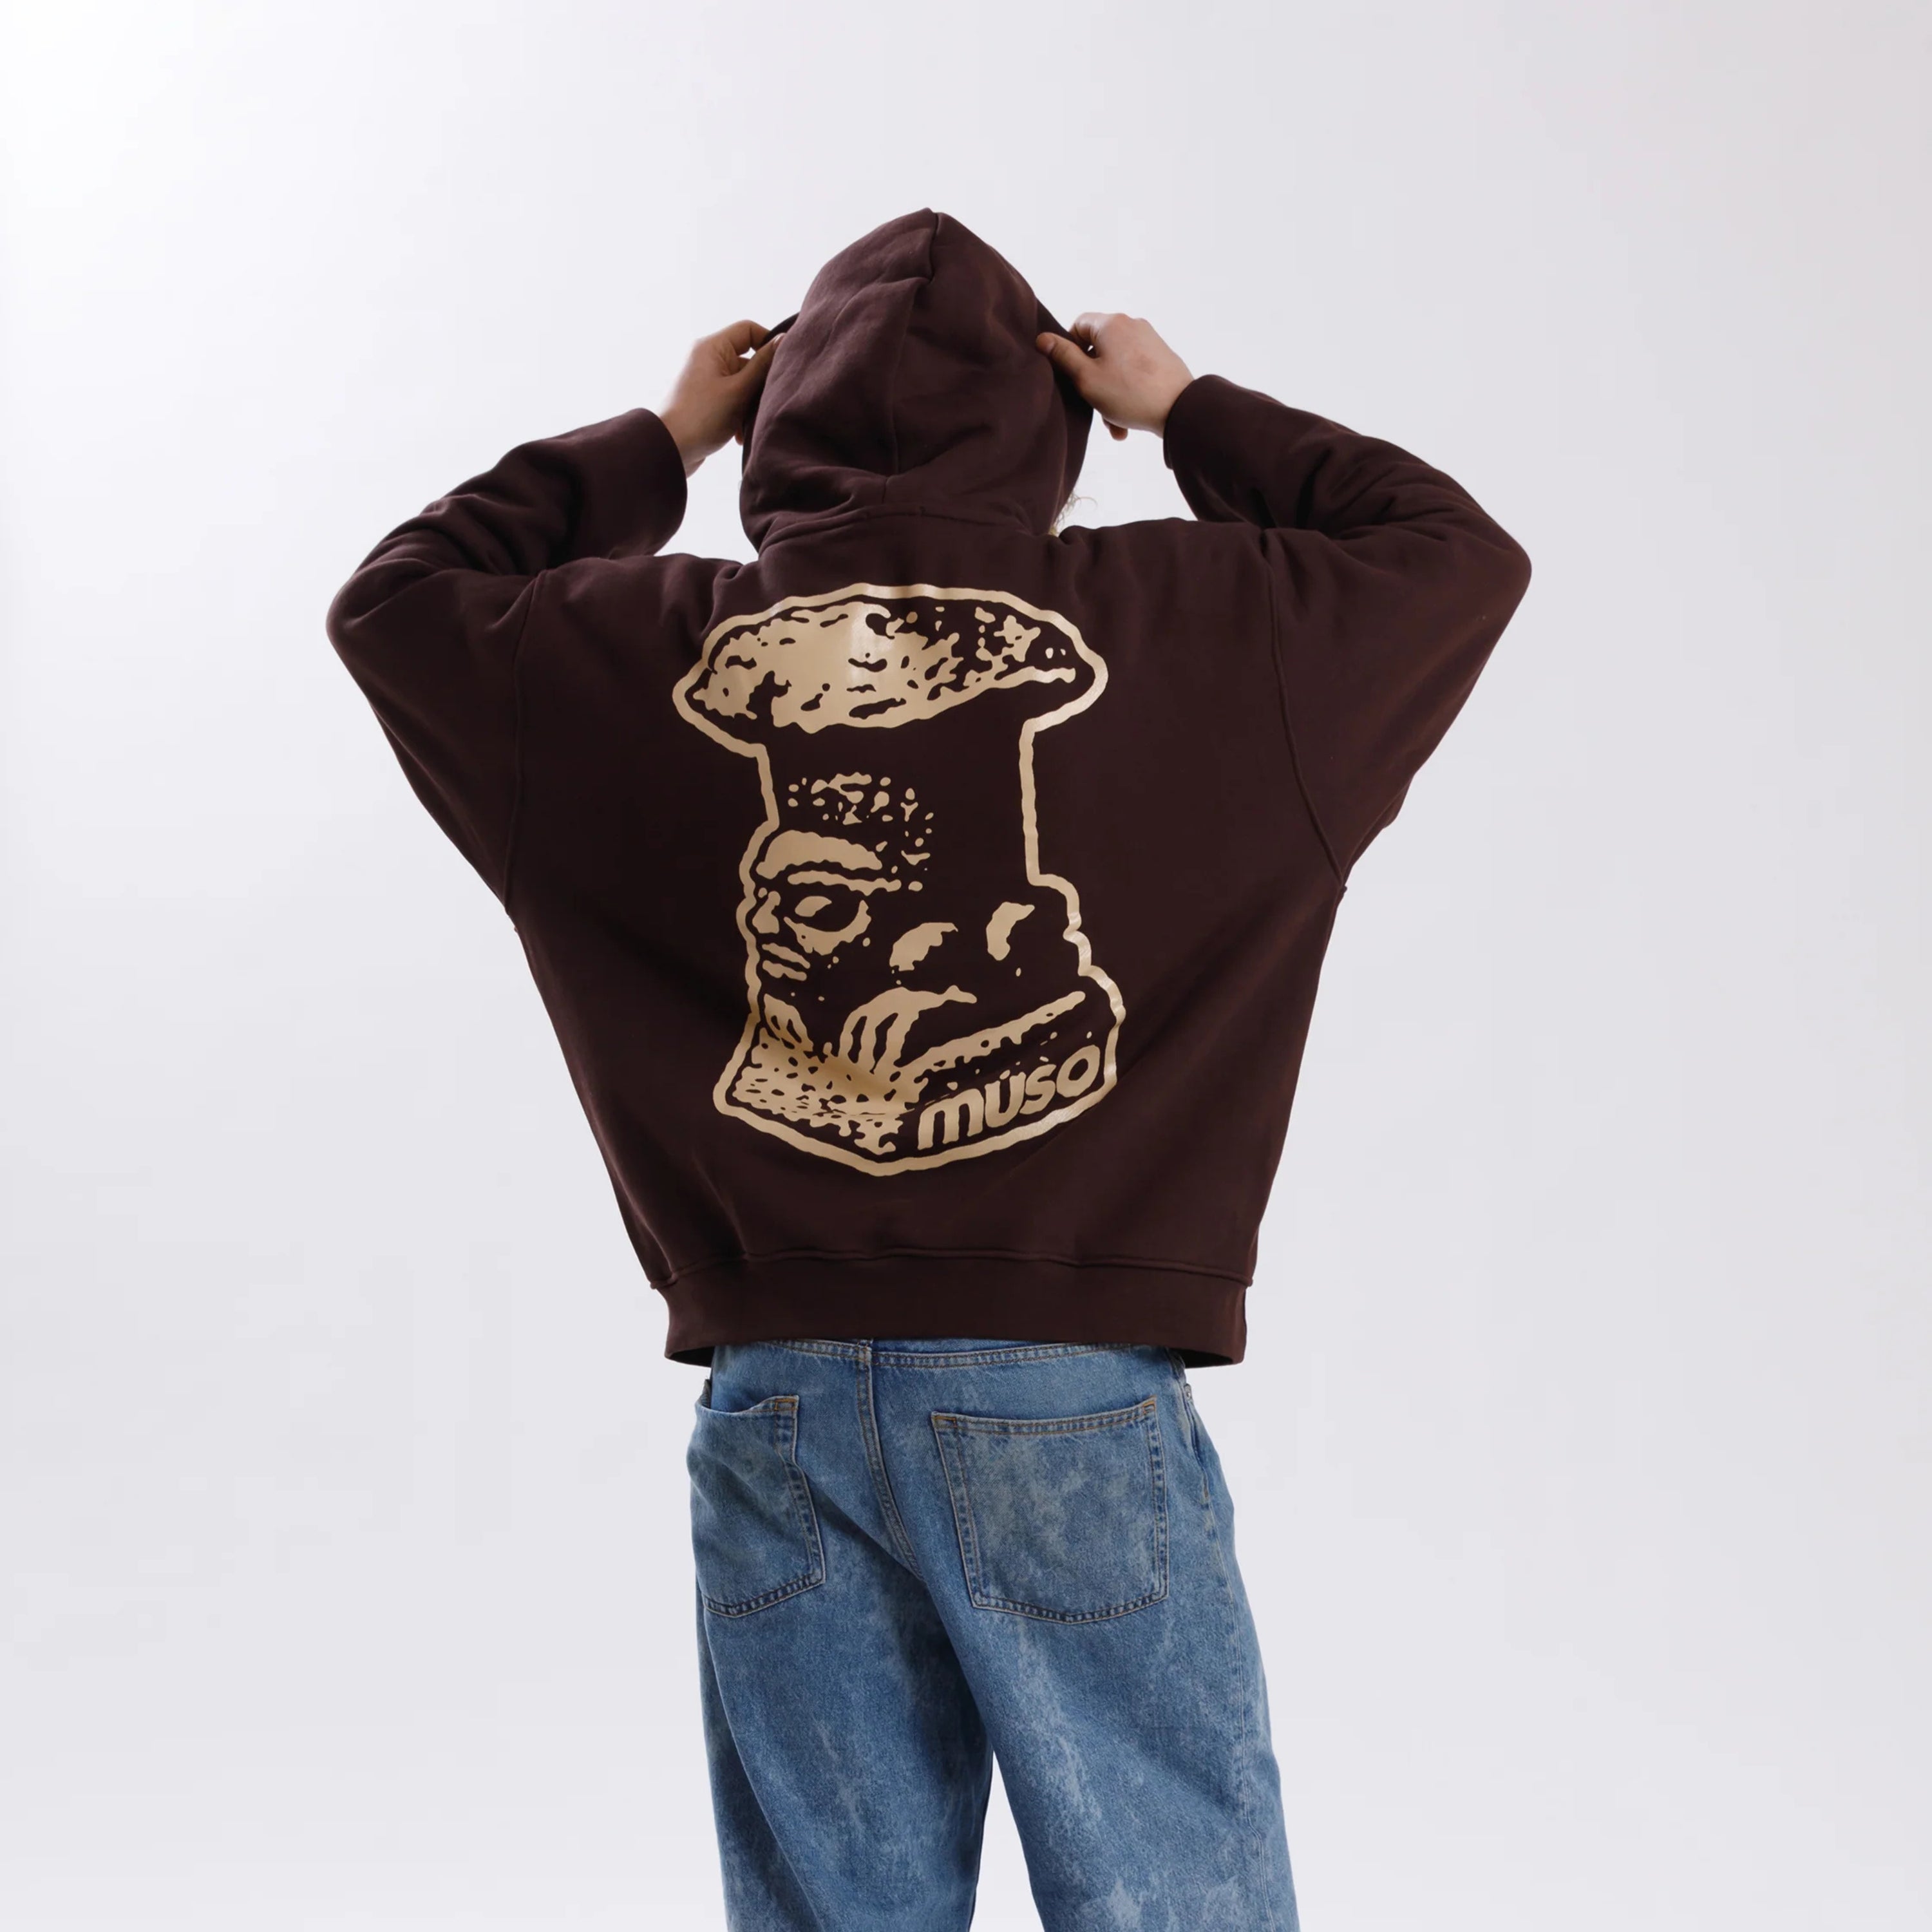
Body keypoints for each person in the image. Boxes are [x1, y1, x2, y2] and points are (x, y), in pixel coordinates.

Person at [327, 208, 1530, 1931]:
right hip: (1071, 1383)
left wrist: (656, 444)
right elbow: (1452, 552)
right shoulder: (1208, 623)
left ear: (775, 436)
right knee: (1170, 1889)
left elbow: (396, 602)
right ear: (1049, 431)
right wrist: (1187, 411)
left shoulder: (630, 648)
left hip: (778, 1390)